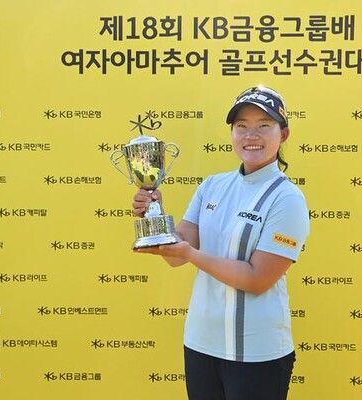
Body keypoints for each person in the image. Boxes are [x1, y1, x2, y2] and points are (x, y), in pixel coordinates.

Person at [133, 86, 310, 400]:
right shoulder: (212, 186)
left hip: (256, 352)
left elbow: (257, 279)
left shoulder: (287, 198)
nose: (250, 135)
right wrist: (154, 213)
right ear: (232, 133)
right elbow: (176, 255)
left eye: (263, 125)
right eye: (241, 126)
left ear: (283, 135)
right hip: (201, 344)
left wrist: (191, 254)